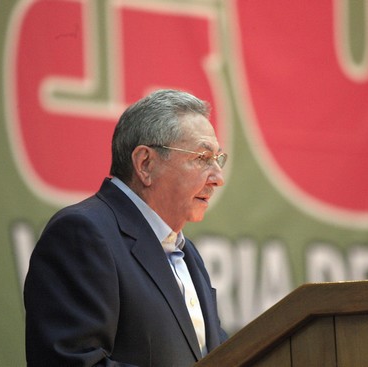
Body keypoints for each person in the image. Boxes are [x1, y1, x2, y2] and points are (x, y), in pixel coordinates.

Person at [24, 89, 229, 366]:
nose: (218, 178)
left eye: (218, 159)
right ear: (145, 164)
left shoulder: (187, 253)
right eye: (203, 158)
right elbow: (71, 362)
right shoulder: (82, 234)